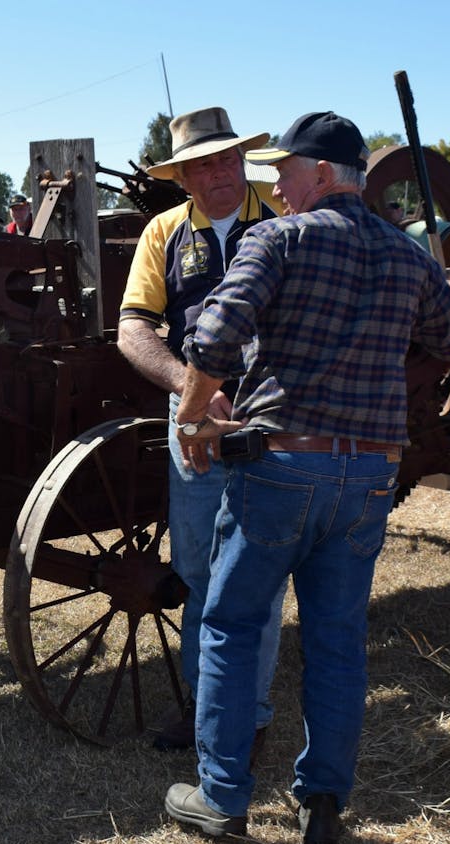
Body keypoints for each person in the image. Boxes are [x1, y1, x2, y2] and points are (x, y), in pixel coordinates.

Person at [161, 112, 450, 844]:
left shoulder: (277, 237)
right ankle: (324, 805)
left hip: (281, 465)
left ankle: (223, 798)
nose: (275, 183)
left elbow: (212, 335)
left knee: (234, 625)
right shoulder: (408, 257)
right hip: (370, 471)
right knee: (337, 640)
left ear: (325, 175)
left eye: (286, 171)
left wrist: (190, 417)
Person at [117, 106, 284, 754]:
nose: (219, 173)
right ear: (183, 177)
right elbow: (133, 331)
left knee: (257, 568)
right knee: (196, 567)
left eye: (227, 158)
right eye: (203, 165)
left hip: (271, 413)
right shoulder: (163, 234)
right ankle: (207, 707)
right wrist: (191, 390)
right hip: (195, 422)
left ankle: (252, 715)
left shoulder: (281, 218)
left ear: (242, 159)